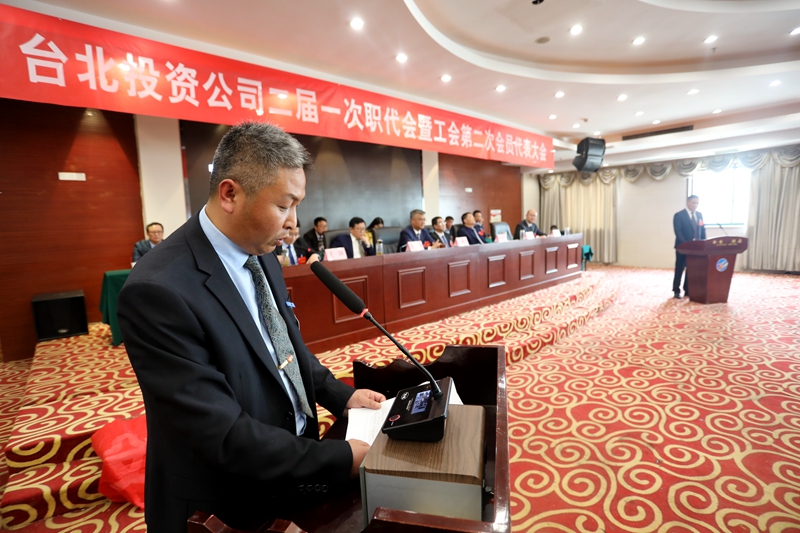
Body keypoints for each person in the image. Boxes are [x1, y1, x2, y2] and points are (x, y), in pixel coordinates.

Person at [117, 122, 385, 531]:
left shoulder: (261, 252)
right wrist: (342, 458)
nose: (294, 223)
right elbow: (222, 434)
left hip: (293, 470)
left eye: (298, 205)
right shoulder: (158, 291)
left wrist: (340, 395)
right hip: (226, 503)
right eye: (284, 206)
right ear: (230, 194)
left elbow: (283, 347)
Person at [673, 195, 706, 299]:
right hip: (682, 247)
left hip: (696, 247)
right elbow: (678, 232)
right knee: (680, 268)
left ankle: (687, 289)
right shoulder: (679, 215)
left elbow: (702, 229)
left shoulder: (699, 215)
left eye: (697, 203)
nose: (695, 205)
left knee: (691, 268)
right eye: (693, 203)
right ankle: (676, 290)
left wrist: (704, 243)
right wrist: (686, 245)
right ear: (688, 202)